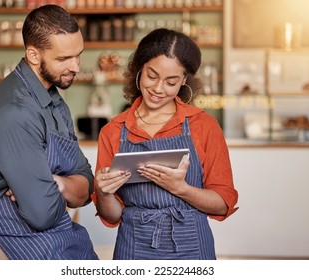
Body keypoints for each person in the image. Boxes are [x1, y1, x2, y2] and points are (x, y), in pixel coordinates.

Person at [0, 5, 98, 260]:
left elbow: (86, 183)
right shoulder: (14, 112)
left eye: (78, 55)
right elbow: (42, 213)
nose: (76, 67)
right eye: (64, 59)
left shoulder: (53, 101)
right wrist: (66, 188)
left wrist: (56, 184)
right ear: (34, 55)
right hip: (11, 240)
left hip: (57, 237)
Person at [92, 28, 238, 260]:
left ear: (184, 81)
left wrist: (181, 189)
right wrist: (103, 192)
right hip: (133, 249)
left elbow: (222, 204)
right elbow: (111, 216)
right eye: (152, 76)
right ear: (139, 69)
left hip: (191, 248)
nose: (158, 89)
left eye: (171, 82)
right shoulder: (113, 131)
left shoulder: (203, 126)